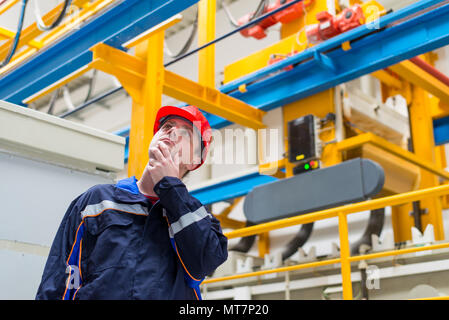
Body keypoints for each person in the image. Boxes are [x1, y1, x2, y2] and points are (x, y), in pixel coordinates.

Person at [36, 105, 228, 300]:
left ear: (194, 161)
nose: (172, 131)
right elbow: (59, 277)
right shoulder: (97, 200)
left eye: (186, 133)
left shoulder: (200, 219)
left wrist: (170, 187)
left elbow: (204, 262)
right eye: (167, 125)